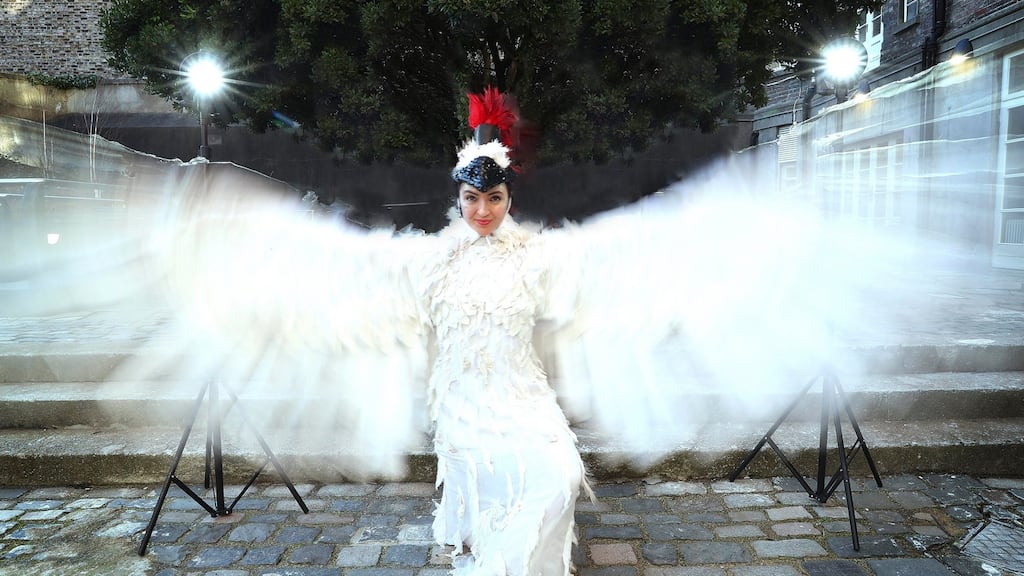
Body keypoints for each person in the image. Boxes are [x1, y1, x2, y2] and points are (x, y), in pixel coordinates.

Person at [418, 87, 590, 575]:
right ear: (458, 199)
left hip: (521, 395)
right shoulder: (435, 260)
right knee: (486, 469)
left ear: (509, 198)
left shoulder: (535, 255)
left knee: (561, 474)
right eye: (472, 199)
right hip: (462, 400)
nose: (483, 211)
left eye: (494, 198)